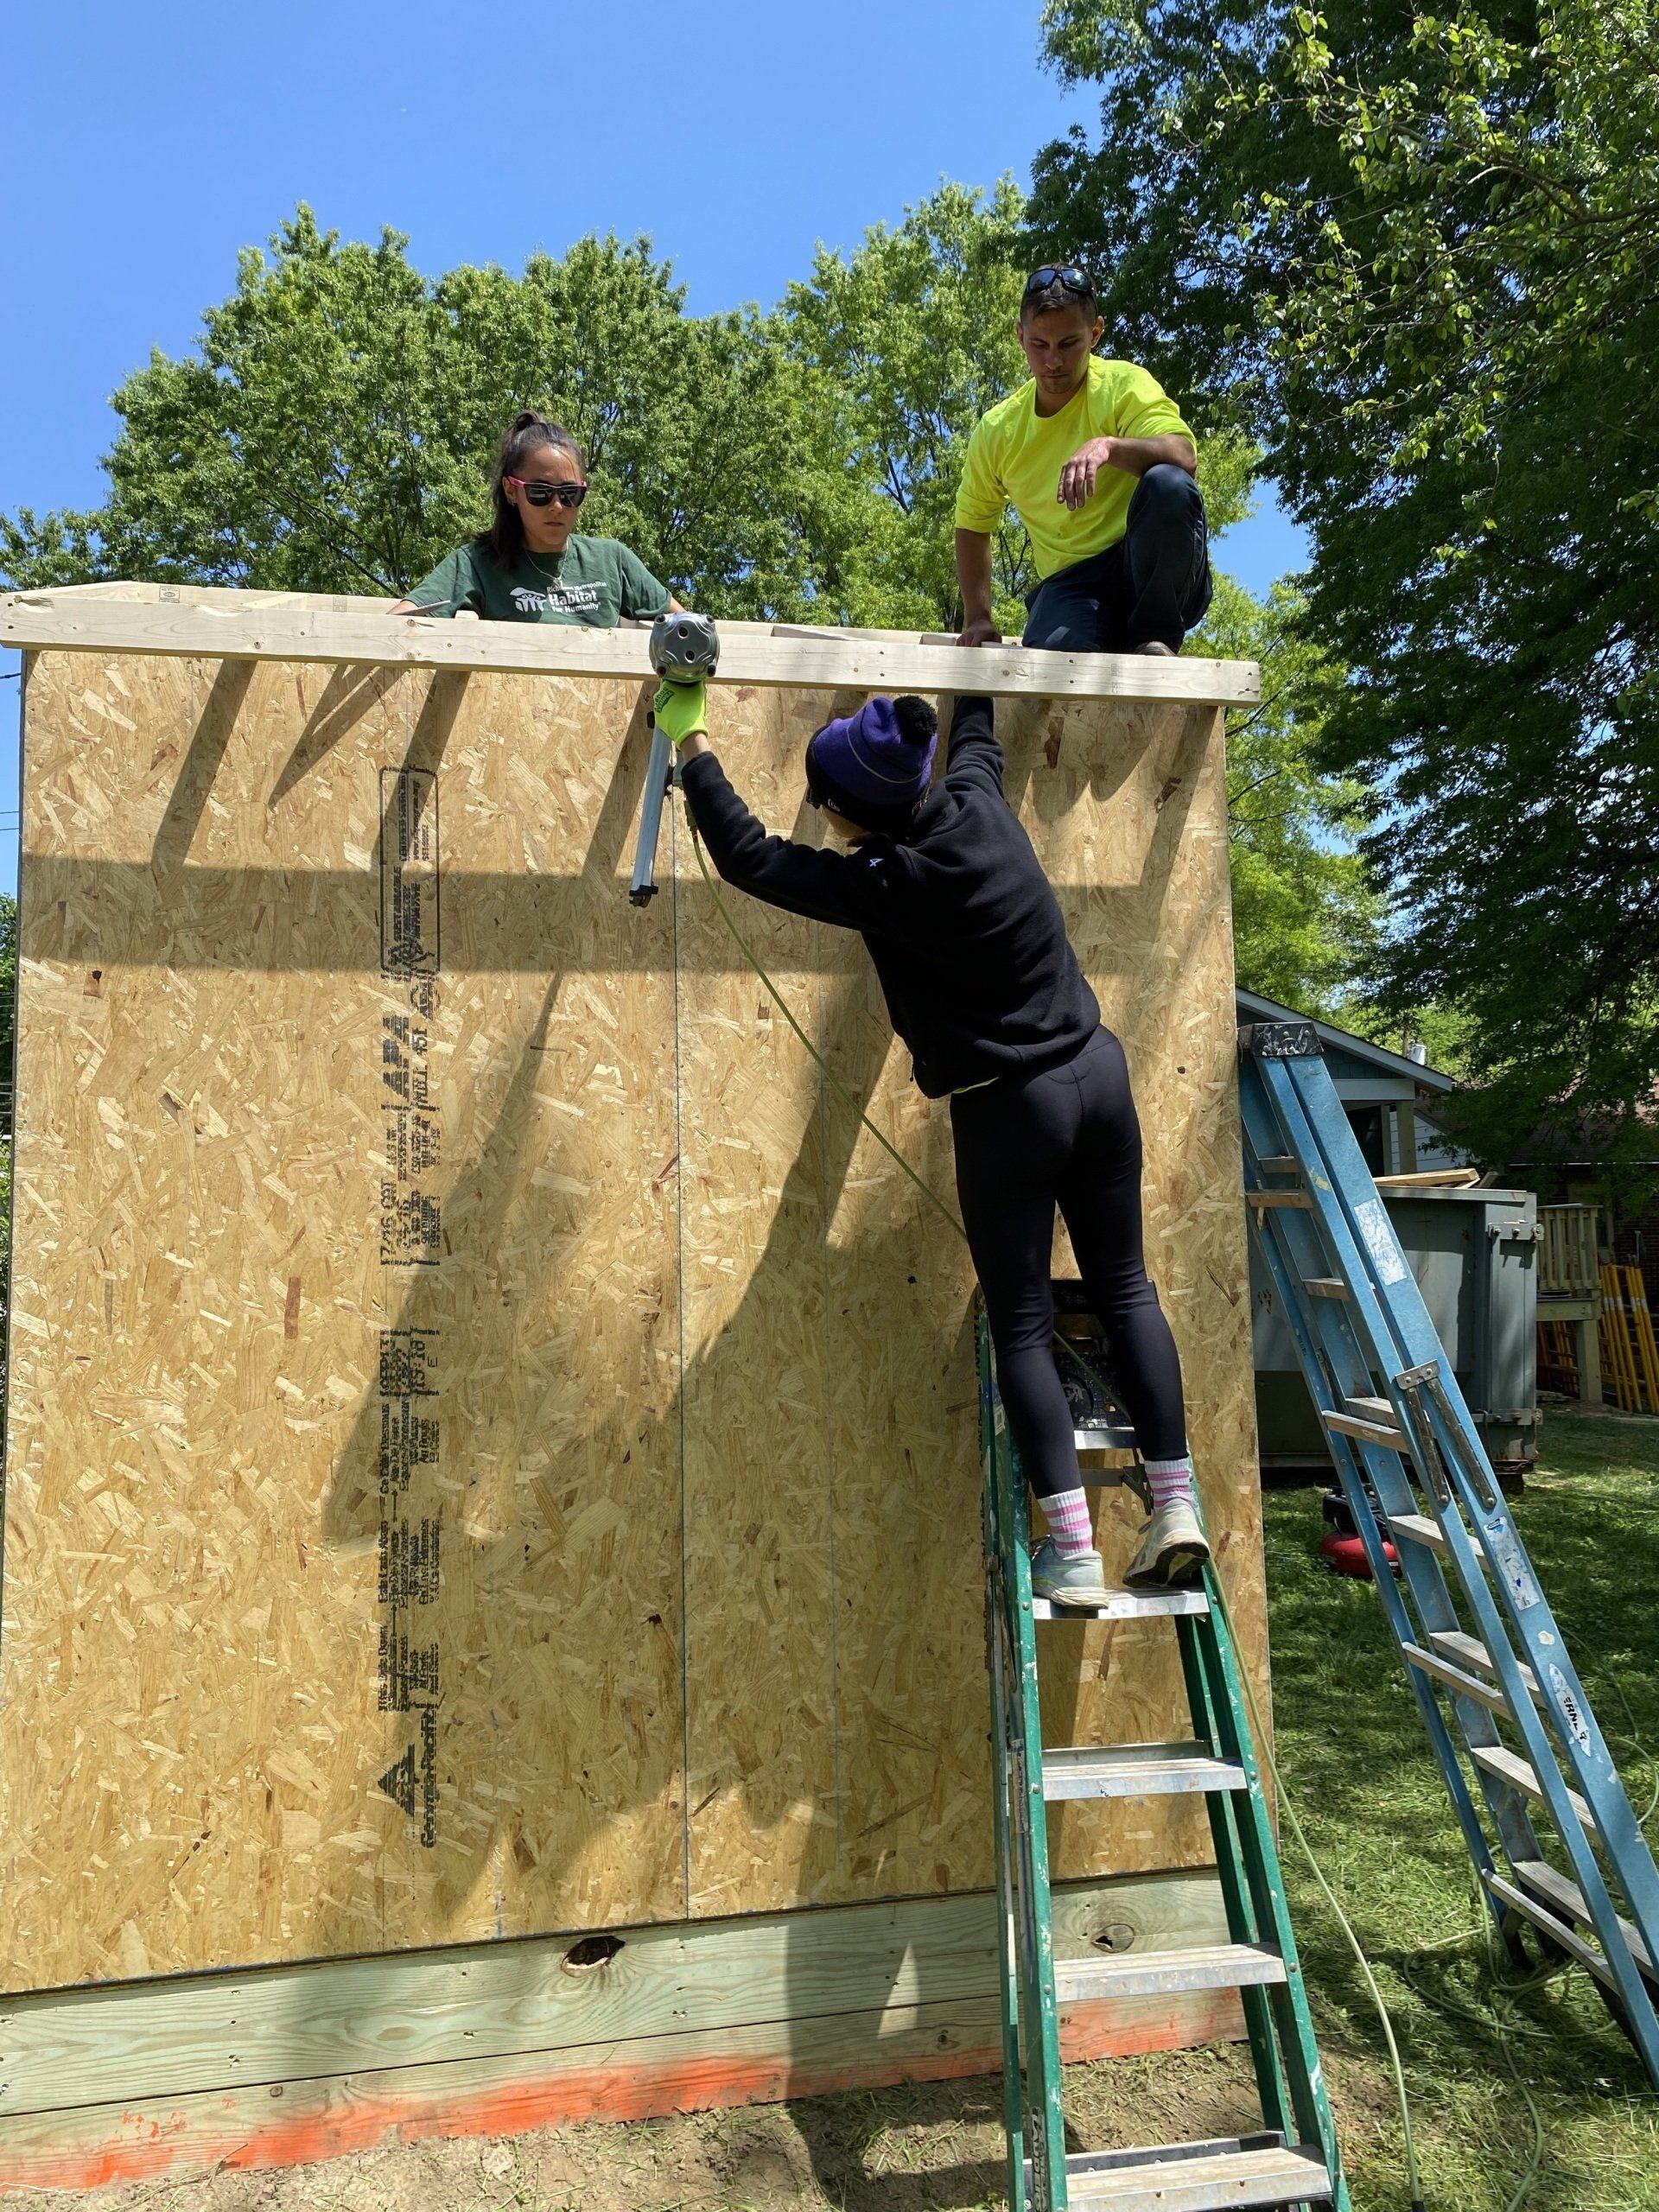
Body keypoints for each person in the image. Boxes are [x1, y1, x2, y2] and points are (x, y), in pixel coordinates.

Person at [650, 673, 1209, 1604]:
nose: (820, 817)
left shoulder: (891, 880)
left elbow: (751, 858)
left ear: (849, 811)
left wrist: (693, 740)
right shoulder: (977, 800)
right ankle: (1176, 1505)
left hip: (1012, 1107)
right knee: (1127, 1288)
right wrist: (971, 651)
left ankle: (1074, 1553)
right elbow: (976, 731)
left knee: (1023, 1324)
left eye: (825, 804)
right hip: (1099, 1075)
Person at [955, 266, 1211, 658]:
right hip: (1072, 584)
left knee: (1169, 483)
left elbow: (1184, 457)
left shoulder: (1125, 384)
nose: (1053, 360)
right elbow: (973, 523)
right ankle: (1101, 637)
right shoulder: (998, 430)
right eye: (1039, 345)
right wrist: (978, 618)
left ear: (1095, 334)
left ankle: (1154, 639)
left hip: (1144, 567)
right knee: (1058, 659)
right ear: (1020, 337)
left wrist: (1111, 447)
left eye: (1069, 343)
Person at [391, 411, 677, 627]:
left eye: (570, 494)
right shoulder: (475, 564)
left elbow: (688, 627)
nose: (556, 506)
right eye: (540, 493)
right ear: (512, 491)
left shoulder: (612, 560)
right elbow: (396, 625)